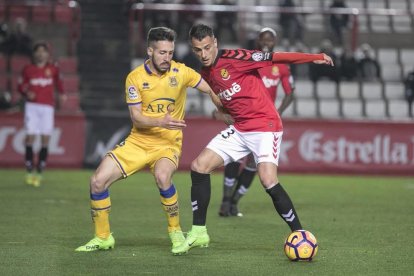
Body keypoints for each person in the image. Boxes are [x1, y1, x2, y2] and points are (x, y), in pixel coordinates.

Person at [172, 23, 333, 255]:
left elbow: (276, 57)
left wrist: (314, 57)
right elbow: (223, 97)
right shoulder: (205, 72)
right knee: (199, 167)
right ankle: (199, 231)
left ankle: (300, 233)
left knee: (268, 180)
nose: (204, 54)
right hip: (241, 128)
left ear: (215, 42)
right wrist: (222, 113)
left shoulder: (237, 57)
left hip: (266, 125)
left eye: (207, 47)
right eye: (198, 50)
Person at [75, 27, 221, 254]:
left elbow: (211, 88)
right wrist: (161, 121)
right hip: (138, 142)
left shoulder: (181, 72)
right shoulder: (135, 78)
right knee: (97, 181)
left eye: (170, 52)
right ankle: (102, 237)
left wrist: (223, 109)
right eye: (162, 53)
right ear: (150, 51)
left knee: (163, 176)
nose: (167, 58)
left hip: (168, 143)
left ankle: (175, 232)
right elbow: (137, 118)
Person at [216, 27, 296, 217]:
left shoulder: (282, 66)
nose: (267, 43)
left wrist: (277, 112)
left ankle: (234, 202)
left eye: (270, 40)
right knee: (234, 158)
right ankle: (225, 201)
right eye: (263, 39)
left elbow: (290, 93)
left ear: (274, 42)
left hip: (264, 122)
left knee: (253, 164)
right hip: (243, 115)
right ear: (258, 41)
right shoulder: (248, 60)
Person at [18, 42, 65, 187]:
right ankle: (29, 171)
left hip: (47, 107)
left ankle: (39, 171)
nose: (40, 54)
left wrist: (62, 95)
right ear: (34, 54)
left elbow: (59, 84)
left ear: (47, 54)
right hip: (32, 106)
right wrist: (27, 92)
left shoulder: (53, 69)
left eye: (43, 51)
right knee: (30, 137)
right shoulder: (28, 69)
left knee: (45, 139)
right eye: (38, 51)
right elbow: (20, 85)